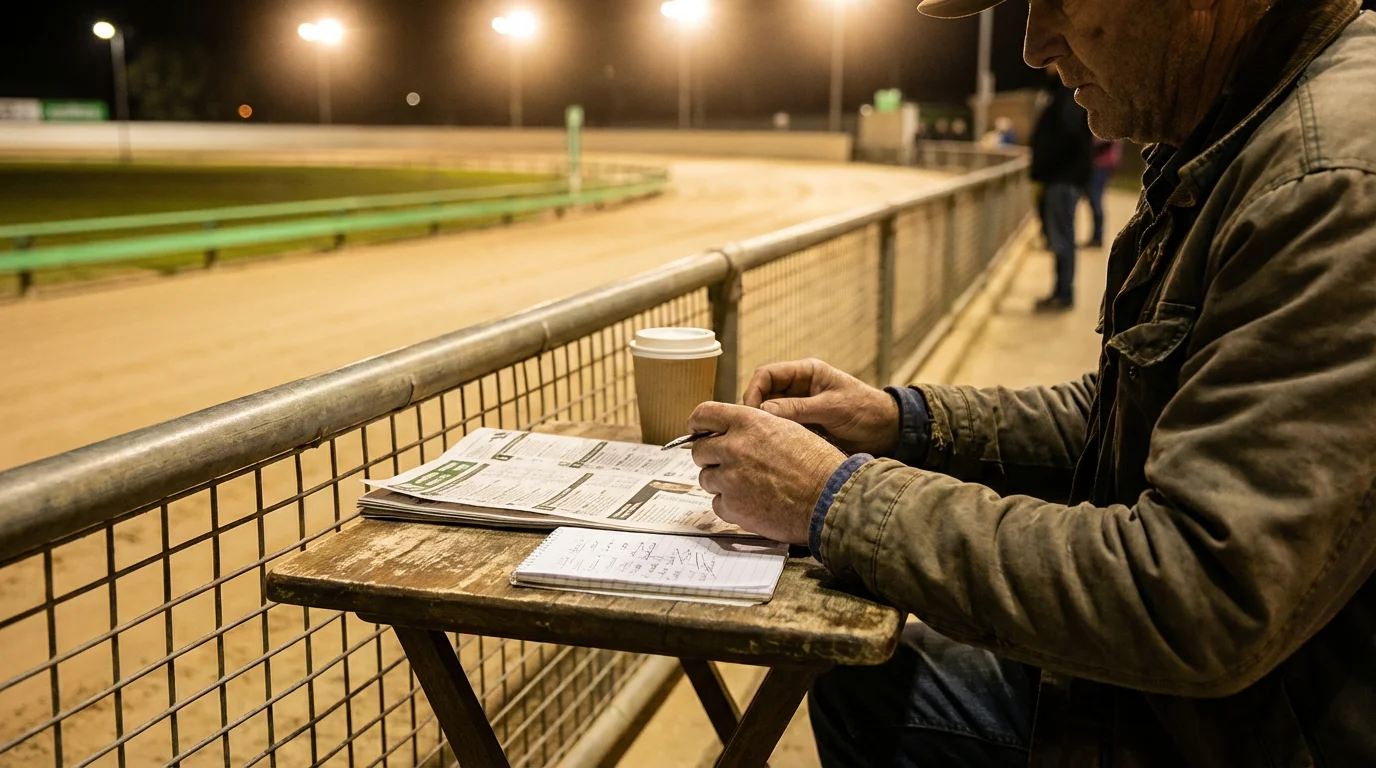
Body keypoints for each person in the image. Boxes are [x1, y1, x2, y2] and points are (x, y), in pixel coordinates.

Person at [687, 0, 1376, 764]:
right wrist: (899, 419)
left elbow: (1198, 592)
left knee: (877, 689)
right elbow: (1118, 410)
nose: (1033, 45)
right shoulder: (1240, 128)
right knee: (869, 684)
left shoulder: (1330, 181)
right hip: (1234, 701)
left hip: (1259, 730)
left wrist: (833, 497)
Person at [1031, 66, 1093, 311]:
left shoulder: (1067, 92)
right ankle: (1060, 291)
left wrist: (1045, 162)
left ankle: (1063, 293)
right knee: (1060, 238)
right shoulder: (1060, 91)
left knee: (1062, 239)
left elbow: (1068, 136)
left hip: (1062, 178)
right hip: (1060, 176)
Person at [1084, 137, 1124, 247]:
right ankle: (1097, 236)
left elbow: (1104, 144)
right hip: (1100, 164)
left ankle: (1097, 236)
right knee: (1094, 199)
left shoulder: (1106, 131)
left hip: (1100, 164)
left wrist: (1090, 152)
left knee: (1095, 198)